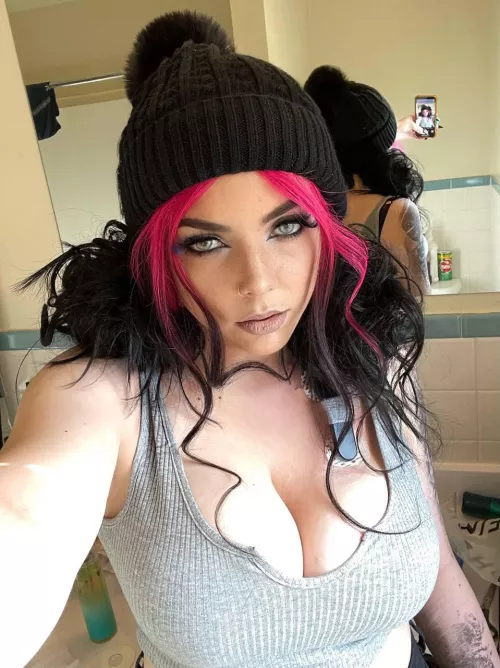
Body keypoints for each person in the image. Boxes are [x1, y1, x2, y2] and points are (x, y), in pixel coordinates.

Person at [1, 11, 498, 668]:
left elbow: (438, 575)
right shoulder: (99, 401)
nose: (259, 285)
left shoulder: (375, 358)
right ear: (155, 256)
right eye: (205, 243)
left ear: (328, 225)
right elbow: (26, 509)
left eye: (287, 227)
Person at [304, 66, 431, 296]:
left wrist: (396, 129)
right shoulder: (396, 211)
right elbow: (421, 301)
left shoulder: (314, 208)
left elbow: (357, 143)